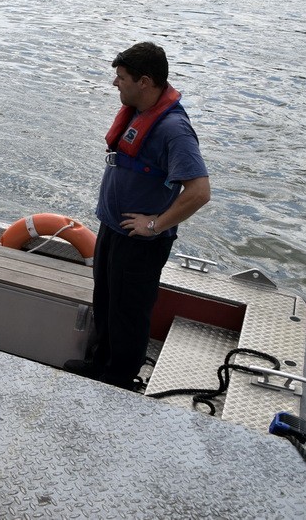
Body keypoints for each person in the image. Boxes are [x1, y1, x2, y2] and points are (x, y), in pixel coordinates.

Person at [66, 42, 211, 390]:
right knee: (106, 302)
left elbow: (199, 192)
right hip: (114, 229)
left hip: (140, 241)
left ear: (145, 81)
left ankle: (118, 382)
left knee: (128, 313)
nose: (116, 83)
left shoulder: (174, 129)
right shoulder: (136, 110)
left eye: (122, 77)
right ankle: (99, 365)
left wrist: (155, 224)